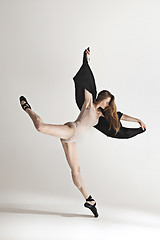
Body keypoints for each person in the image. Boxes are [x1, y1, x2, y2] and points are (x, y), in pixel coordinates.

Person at [19, 48, 146, 218]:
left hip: (71, 140)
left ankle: (90, 200)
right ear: (101, 98)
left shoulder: (102, 116)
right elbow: (86, 81)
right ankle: (28, 109)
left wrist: (138, 122)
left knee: (76, 172)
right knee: (40, 127)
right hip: (70, 129)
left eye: (109, 104)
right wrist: (85, 60)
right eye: (107, 102)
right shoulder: (89, 104)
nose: (108, 106)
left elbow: (119, 116)